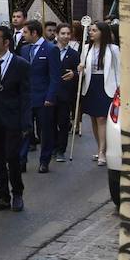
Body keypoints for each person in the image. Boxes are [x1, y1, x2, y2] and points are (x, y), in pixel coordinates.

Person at [0, 27, 32, 212]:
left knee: (13, 158)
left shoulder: (21, 65)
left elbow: (26, 96)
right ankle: (3, 195)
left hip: (13, 119)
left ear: (6, 43)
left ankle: (17, 193)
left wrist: (26, 122)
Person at [18, 20, 61, 174]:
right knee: (24, 130)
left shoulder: (51, 49)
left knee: (45, 131)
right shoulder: (23, 50)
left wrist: (50, 97)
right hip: (26, 98)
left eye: (25, 32)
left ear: (34, 33)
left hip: (44, 98)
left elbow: (55, 76)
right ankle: (21, 160)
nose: (23, 35)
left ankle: (44, 161)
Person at [79, 21, 120, 166]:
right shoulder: (85, 49)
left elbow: (118, 71)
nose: (91, 32)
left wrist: (119, 89)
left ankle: (103, 151)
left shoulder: (113, 49)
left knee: (102, 118)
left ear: (102, 32)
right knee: (94, 119)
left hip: (106, 85)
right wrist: (81, 69)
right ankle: (100, 148)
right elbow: (83, 71)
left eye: (94, 30)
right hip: (91, 85)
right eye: (90, 30)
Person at [52, 23, 80, 163]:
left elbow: (79, 71)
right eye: (63, 33)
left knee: (63, 122)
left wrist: (74, 74)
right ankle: (52, 146)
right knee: (49, 122)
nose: (65, 36)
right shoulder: (50, 50)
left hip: (65, 93)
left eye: (68, 33)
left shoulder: (74, 54)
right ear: (57, 34)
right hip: (50, 92)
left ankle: (61, 150)